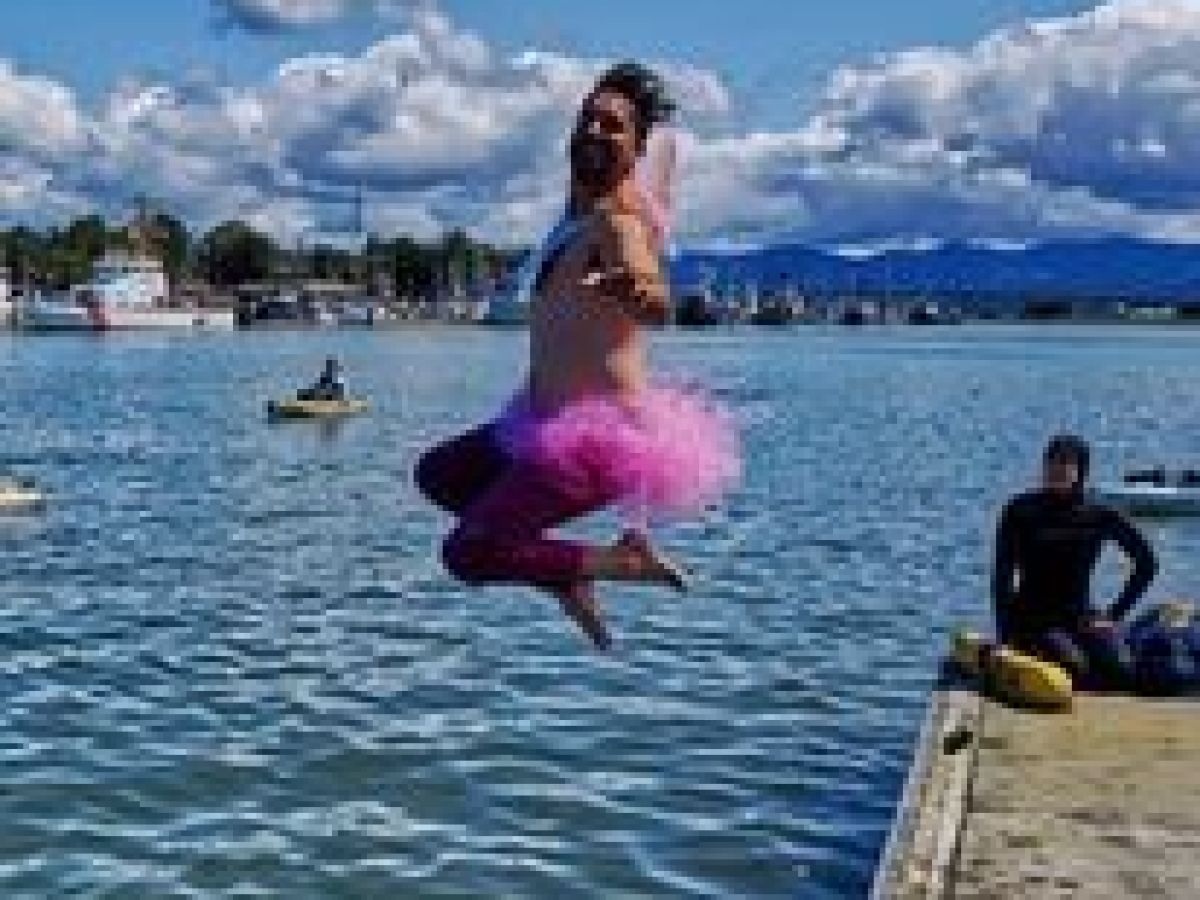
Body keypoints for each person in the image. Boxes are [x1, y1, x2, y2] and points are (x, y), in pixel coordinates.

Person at [415, 62, 739, 649]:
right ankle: (560, 571)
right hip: (537, 424)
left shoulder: (618, 226)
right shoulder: (572, 219)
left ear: (637, 150)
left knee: (467, 552)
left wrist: (641, 291)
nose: (593, 130)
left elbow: (652, 290)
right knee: (440, 476)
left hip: (600, 440)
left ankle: (620, 565)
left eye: (612, 126)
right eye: (586, 118)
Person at [992, 434, 1156, 689]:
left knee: (1122, 672)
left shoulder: (1098, 514)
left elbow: (1146, 563)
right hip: (1033, 619)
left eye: (1065, 463)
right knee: (1075, 670)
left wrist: (1114, 614)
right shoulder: (1020, 510)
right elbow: (1001, 577)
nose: (1056, 469)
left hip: (1080, 616)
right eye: (1051, 462)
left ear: (1080, 472)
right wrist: (1005, 634)